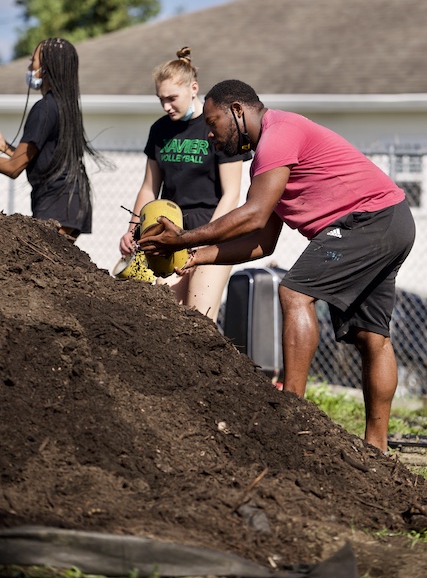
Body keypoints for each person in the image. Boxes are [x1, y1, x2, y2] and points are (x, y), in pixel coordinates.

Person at [139, 79, 416, 455]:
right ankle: (377, 447)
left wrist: (186, 238)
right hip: (392, 219)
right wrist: (195, 256)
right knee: (372, 336)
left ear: (238, 110)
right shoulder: (270, 157)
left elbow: (251, 216)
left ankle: (294, 413)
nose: (209, 134)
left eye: (213, 121)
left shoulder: (278, 135)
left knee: (293, 291)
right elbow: (261, 241)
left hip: (368, 221)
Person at [119, 48, 251, 321]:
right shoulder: (160, 130)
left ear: (193, 88)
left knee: (199, 319)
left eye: (172, 98)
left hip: (213, 230)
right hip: (170, 231)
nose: (166, 106)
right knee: (166, 317)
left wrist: (206, 240)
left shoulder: (218, 127)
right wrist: (132, 230)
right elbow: (149, 188)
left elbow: (231, 195)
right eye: (161, 99)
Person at [0, 37, 100, 241]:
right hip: (71, 202)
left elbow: (13, 168)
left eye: (33, 61)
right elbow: (41, 157)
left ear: (46, 67)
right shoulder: (64, 106)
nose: (29, 67)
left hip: (57, 202)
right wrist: (5, 147)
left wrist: (10, 158)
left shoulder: (44, 108)